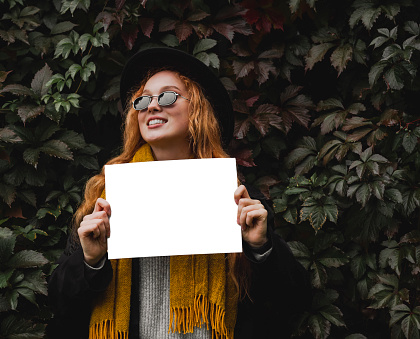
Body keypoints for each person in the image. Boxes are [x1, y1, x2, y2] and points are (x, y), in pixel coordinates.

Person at [47, 47, 310, 339]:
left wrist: (262, 249)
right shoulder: (106, 196)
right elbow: (60, 305)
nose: (152, 106)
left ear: (198, 109)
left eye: (168, 96)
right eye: (144, 99)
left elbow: (291, 303)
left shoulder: (235, 198)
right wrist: (90, 261)